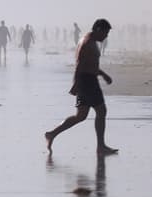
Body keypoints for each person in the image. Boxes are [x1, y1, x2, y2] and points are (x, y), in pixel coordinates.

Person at [45, 18, 118, 156]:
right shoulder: (87, 42)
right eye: (106, 33)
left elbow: (91, 63)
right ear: (98, 29)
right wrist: (75, 84)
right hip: (87, 82)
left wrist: (102, 74)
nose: (106, 36)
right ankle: (101, 147)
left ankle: (52, 134)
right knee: (101, 111)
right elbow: (79, 64)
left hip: (88, 80)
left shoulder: (91, 41)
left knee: (81, 116)